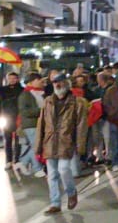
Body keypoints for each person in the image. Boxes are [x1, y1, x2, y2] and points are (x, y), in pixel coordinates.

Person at [37, 76, 88, 213]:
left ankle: (71, 193)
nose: (57, 85)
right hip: (49, 141)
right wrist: (38, 145)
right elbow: (41, 124)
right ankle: (55, 203)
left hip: (66, 141)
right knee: (52, 174)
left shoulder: (77, 103)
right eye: (55, 83)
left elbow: (81, 126)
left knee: (64, 169)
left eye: (60, 82)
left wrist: (80, 146)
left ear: (66, 84)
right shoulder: (48, 101)